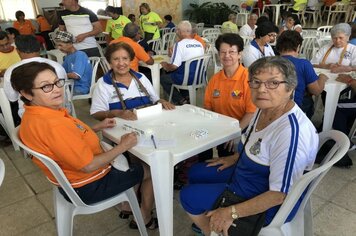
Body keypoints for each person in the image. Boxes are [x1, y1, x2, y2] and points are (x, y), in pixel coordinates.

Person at [11, 61, 158, 230]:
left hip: (71, 180)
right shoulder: (53, 124)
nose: (57, 89)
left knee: (128, 159)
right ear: (27, 93)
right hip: (90, 185)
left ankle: (126, 205)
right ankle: (145, 216)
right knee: (149, 168)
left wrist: (97, 127)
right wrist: (123, 145)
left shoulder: (34, 115)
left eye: (57, 82)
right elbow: (88, 165)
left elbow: (67, 139)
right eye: (46, 87)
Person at [180, 56, 319, 236]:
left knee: (188, 195)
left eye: (273, 83)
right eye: (255, 82)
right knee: (195, 172)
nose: (261, 89)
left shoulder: (291, 132)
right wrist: (236, 158)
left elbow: (279, 195)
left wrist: (231, 212)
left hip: (266, 199)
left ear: (290, 88)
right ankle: (212, 219)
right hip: (249, 173)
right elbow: (258, 145)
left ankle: (211, 230)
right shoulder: (264, 108)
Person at [202, 33, 256, 159]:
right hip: (221, 129)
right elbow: (208, 108)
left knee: (229, 148)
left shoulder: (248, 79)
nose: (227, 56)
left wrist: (235, 132)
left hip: (243, 129)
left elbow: (251, 113)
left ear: (239, 54)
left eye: (231, 52)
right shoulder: (215, 79)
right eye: (223, 52)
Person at [90, 42, 174, 121]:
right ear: (110, 63)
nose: (121, 63)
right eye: (116, 59)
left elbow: (155, 100)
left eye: (125, 58)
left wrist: (162, 102)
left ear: (130, 60)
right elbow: (96, 113)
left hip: (148, 122)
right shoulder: (103, 84)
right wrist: (116, 113)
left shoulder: (141, 78)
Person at [4, 34, 67, 118]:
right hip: (61, 108)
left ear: (17, 51)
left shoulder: (11, 71)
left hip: (29, 114)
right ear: (39, 48)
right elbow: (64, 86)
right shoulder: (56, 65)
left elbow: (12, 98)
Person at [276, 30, 327, 118]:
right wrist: (322, 77)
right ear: (298, 46)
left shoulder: (269, 63)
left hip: (272, 106)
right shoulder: (303, 64)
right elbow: (316, 91)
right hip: (295, 109)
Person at [160, 21, 204, 105]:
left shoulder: (179, 45)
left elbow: (174, 66)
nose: (176, 32)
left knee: (163, 79)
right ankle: (187, 97)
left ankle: (180, 100)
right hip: (199, 78)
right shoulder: (199, 44)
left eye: (177, 30)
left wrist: (166, 65)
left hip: (185, 79)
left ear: (181, 32)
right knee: (183, 72)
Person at [55, 31, 92, 95]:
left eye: (60, 45)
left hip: (81, 88)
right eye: (58, 45)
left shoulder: (80, 55)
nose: (59, 48)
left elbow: (76, 75)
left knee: (58, 97)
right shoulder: (68, 56)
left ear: (70, 44)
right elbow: (62, 71)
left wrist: (59, 76)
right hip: (71, 86)